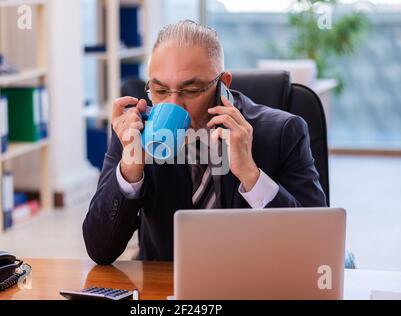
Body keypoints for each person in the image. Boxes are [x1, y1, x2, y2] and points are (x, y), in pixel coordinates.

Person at [83, 20, 326, 265]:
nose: (174, 105)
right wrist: (130, 171)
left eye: (191, 90)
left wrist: (251, 176)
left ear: (224, 84)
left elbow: (316, 246)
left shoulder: (283, 132)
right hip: (167, 287)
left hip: (255, 280)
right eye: (160, 90)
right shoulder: (135, 133)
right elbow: (100, 250)